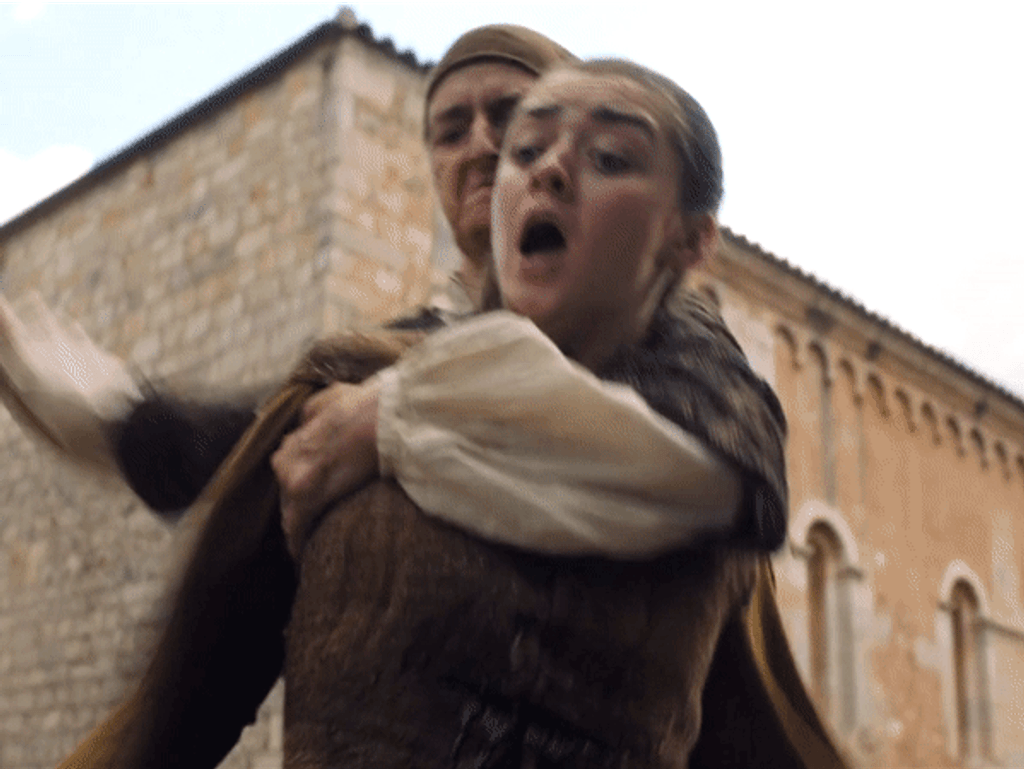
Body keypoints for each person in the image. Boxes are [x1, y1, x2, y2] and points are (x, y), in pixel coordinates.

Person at [57, 56, 847, 768]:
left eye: (607, 154)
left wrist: (393, 417)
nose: (505, 155)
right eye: (521, 147)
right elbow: (185, 691)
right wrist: (134, 427)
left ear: (688, 240)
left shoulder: (704, 427)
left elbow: (726, 473)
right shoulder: (351, 375)